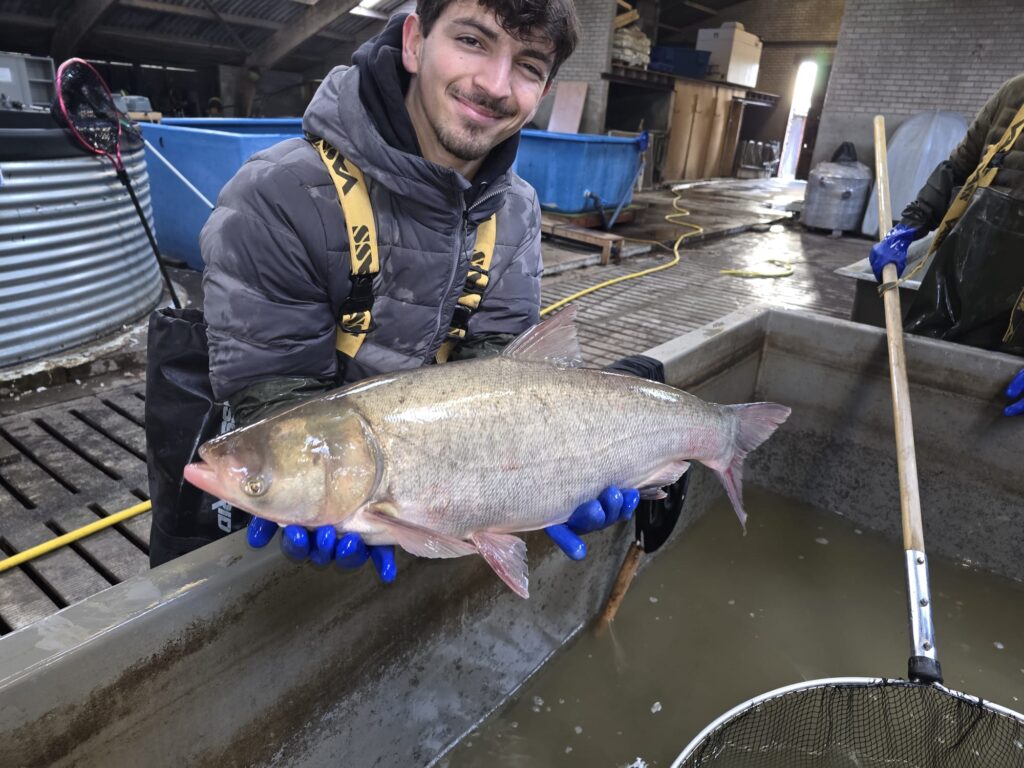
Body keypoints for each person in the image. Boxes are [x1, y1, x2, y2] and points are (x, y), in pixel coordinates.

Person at [192, 0, 657, 580]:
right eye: (472, 41)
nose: (494, 85)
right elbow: (273, 393)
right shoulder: (278, 196)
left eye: (529, 66)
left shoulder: (516, 211)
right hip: (321, 508)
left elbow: (502, 370)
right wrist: (299, 489)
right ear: (414, 42)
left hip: (433, 502)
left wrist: (552, 474)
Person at [869, 73, 1024, 417]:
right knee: (916, 387)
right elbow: (958, 169)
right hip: (958, 278)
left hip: (1019, 320)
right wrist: (907, 226)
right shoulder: (1015, 93)